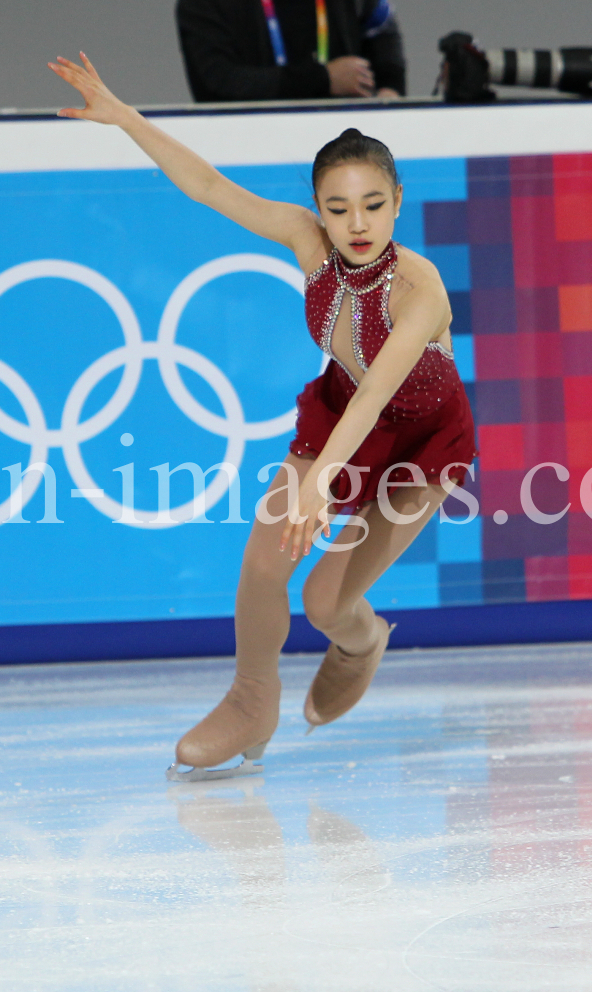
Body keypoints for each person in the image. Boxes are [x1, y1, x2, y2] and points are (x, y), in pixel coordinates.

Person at [47, 53, 476, 781]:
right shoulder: (309, 243)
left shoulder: (419, 287)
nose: (356, 223)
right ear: (317, 206)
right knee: (261, 565)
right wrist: (125, 119)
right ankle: (252, 702)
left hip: (418, 444)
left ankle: (363, 641)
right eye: (337, 208)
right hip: (340, 412)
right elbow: (210, 187)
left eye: (373, 205)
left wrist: (317, 487)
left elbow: (380, 394)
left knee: (325, 602)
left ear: (398, 200)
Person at [175, 0, 405, 102]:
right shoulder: (202, 5)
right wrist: (323, 79)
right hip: (249, 147)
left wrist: (390, 89)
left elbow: (382, 30)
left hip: (346, 141)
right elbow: (219, 82)